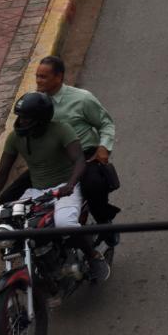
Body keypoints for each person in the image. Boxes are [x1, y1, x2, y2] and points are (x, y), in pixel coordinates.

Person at [33, 56, 121, 240]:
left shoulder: (82, 99)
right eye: (37, 76)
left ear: (59, 77)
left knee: (93, 186)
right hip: (53, 161)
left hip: (85, 156)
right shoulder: (36, 103)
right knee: (12, 195)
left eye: (43, 77)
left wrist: (103, 147)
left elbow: (106, 124)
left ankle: (104, 223)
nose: (38, 81)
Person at [0, 92, 85, 231]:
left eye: (26, 118)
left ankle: (88, 246)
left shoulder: (62, 130)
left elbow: (79, 160)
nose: (21, 121)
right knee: (13, 222)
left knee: (64, 224)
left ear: (41, 118)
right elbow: (2, 172)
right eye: (20, 117)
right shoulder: (14, 138)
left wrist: (70, 185)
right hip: (36, 192)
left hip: (65, 189)